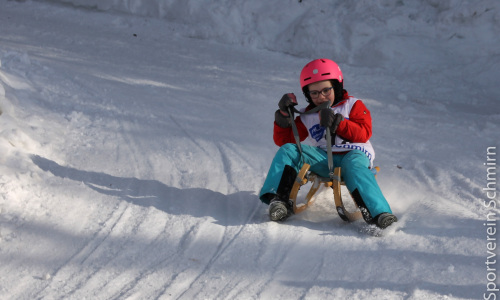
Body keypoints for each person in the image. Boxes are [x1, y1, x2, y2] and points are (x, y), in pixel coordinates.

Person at [259, 58, 397, 229]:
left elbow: (364, 132)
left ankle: (379, 214)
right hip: (324, 158)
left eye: (326, 90)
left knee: (355, 168)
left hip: (353, 154)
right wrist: (283, 116)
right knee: (289, 150)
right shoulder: (307, 115)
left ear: (336, 86)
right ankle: (278, 199)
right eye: (314, 93)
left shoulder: (352, 105)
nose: (320, 96)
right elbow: (283, 141)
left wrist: (338, 123)